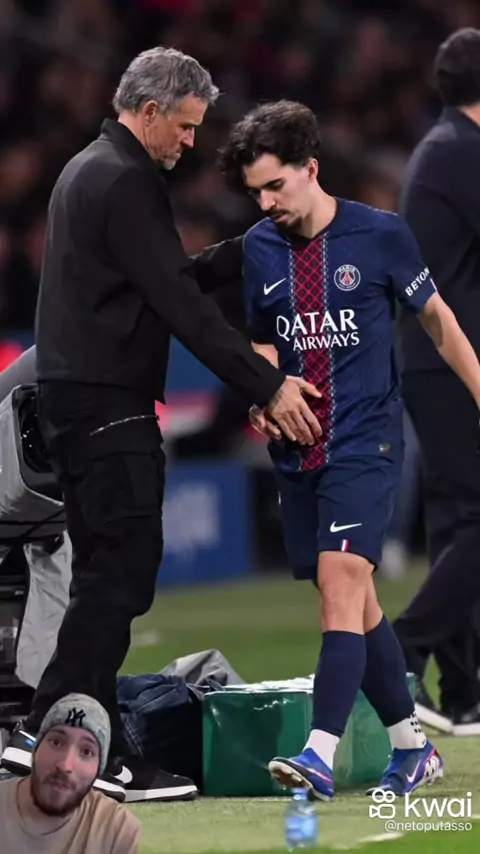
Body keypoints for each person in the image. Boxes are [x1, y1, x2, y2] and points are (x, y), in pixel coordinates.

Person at [0, 47, 322, 803]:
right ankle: (54, 736)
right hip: (106, 408)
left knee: (101, 580)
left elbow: (158, 283)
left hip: (74, 404)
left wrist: (243, 252)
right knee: (121, 572)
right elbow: (180, 308)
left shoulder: (88, 170)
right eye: (184, 125)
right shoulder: (125, 179)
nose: (189, 141)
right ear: (149, 112)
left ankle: (90, 742)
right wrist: (268, 385)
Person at [219, 99, 480, 800]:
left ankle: (319, 753)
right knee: (356, 604)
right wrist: (264, 395)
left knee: (342, 582)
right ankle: (413, 749)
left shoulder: (381, 235)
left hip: (367, 441)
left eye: (276, 186)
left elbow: (438, 320)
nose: (266, 203)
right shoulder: (260, 249)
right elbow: (263, 342)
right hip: (298, 452)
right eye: (255, 192)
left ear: (311, 168)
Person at [393, 27, 480, 736]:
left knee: (457, 522)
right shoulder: (462, 152)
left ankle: (463, 690)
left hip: (437, 359)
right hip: (451, 361)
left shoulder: (446, 146)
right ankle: (403, 647)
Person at [0, 693, 141, 854]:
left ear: (99, 769)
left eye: (86, 752)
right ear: (36, 749)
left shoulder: (117, 831)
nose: (65, 765)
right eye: (56, 742)